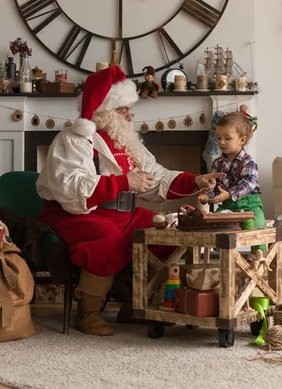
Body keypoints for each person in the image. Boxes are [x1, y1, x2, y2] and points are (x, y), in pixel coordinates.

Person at [36, 66, 225, 336]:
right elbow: (72, 188)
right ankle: (88, 312)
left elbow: (155, 176)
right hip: (75, 214)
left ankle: (135, 302)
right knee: (106, 238)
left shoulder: (126, 143)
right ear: (103, 110)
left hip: (124, 214)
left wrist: (194, 181)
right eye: (123, 110)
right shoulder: (73, 140)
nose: (129, 117)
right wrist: (124, 182)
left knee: (164, 233)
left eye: (129, 110)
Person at [201, 111, 266, 254]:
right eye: (218, 138)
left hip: (250, 204)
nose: (221, 142)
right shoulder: (217, 163)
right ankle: (229, 255)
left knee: (257, 227)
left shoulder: (248, 162)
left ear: (242, 140)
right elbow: (215, 186)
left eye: (227, 138)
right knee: (215, 225)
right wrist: (208, 195)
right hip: (228, 206)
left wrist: (229, 194)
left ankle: (257, 256)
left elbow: (248, 184)